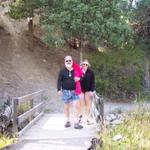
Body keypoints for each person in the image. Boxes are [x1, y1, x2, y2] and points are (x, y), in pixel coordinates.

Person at [57, 55, 83, 129]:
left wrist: (79, 79)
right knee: (66, 108)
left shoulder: (75, 70)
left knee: (77, 107)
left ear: (72, 61)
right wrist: (59, 89)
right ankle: (67, 121)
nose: (68, 62)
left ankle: (76, 123)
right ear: (65, 62)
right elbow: (59, 81)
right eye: (67, 61)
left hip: (75, 91)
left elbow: (81, 78)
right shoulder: (62, 71)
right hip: (65, 92)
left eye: (69, 60)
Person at [80, 59, 95, 125]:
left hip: (88, 90)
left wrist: (92, 90)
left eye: (86, 64)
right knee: (81, 103)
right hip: (80, 90)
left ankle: (87, 117)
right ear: (82, 65)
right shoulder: (79, 71)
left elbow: (93, 82)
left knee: (88, 104)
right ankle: (82, 117)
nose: (85, 65)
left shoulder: (91, 72)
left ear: (88, 65)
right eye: (84, 64)